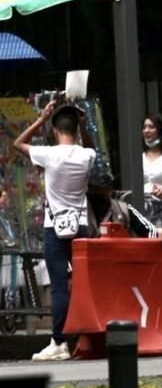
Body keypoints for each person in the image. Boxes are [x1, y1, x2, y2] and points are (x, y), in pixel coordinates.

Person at [13, 100, 96, 362]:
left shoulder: (48, 154)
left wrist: (40, 119)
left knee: (60, 287)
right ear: (75, 128)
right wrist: (84, 127)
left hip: (54, 228)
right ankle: (89, 337)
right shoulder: (86, 156)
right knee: (84, 284)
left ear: (54, 130)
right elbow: (91, 149)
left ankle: (59, 342)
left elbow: (17, 145)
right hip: (80, 225)